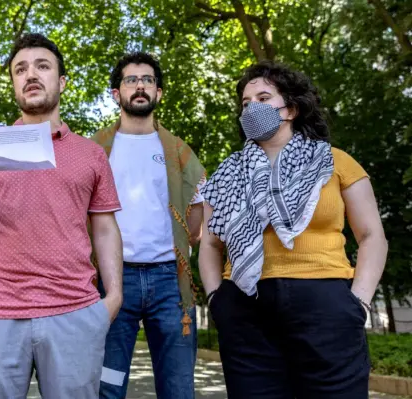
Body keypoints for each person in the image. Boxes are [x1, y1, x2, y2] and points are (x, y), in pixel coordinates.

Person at [0, 33, 123, 399]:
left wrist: (114, 298)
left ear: (61, 81)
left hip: (74, 310)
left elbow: (105, 229)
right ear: (13, 83)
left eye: (42, 66)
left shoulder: (91, 154)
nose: (31, 75)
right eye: (20, 69)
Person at [199, 60, 388, 399]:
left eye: (263, 98)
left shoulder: (336, 161)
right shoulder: (225, 174)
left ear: (291, 109)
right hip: (245, 309)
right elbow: (210, 245)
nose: (251, 108)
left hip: (326, 306)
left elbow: (372, 236)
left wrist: (358, 303)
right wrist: (217, 299)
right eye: (245, 103)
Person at [92, 52, 206, 399]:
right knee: (106, 388)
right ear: (116, 94)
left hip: (169, 284)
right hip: (111, 282)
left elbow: (197, 220)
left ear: (158, 93)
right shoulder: (94, 150)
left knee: (178, 389)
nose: (140, 86)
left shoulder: (179, 152)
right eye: (131, 80)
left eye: (148, 80)